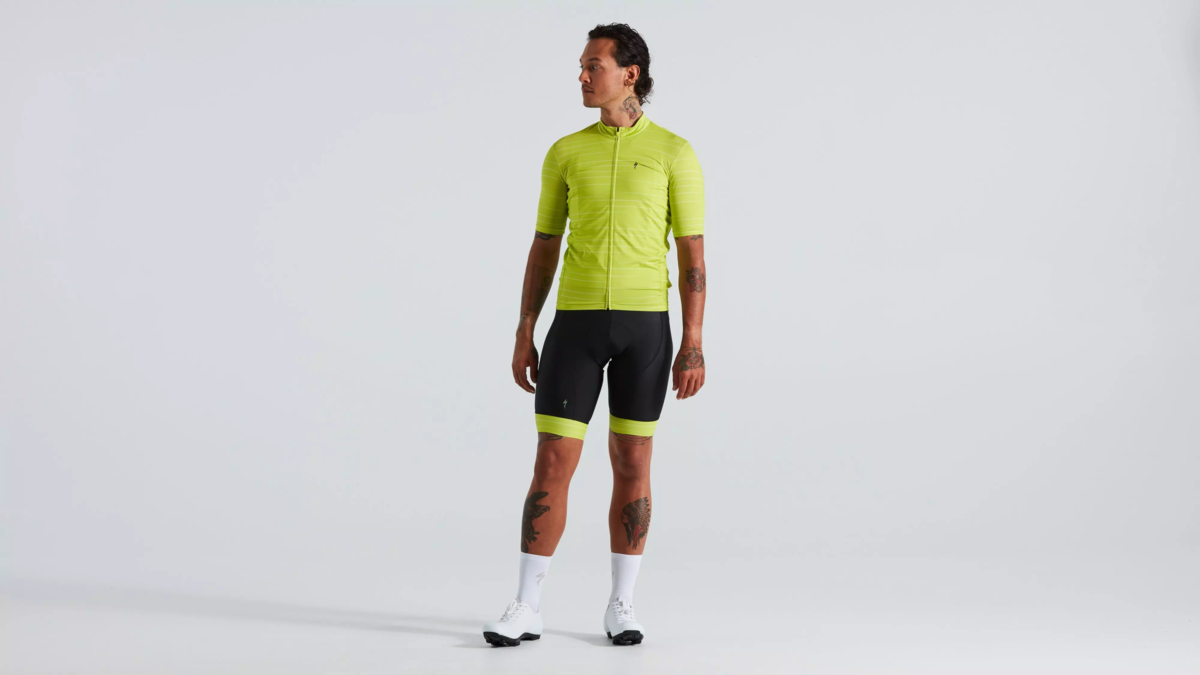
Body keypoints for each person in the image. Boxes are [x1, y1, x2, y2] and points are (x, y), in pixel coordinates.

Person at [482, 22, 707, 648]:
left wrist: (693, 339)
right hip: (575, 325)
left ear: (629, 74)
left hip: (645, 327)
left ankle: (621, 605)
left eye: (593, 66)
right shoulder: (565, 152)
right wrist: (525, 328)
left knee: (633, 461)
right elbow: (543, 245)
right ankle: (526, 606)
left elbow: (692, 253)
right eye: (581, 66)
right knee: (553, 460)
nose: (582, 76)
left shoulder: (674, 151)